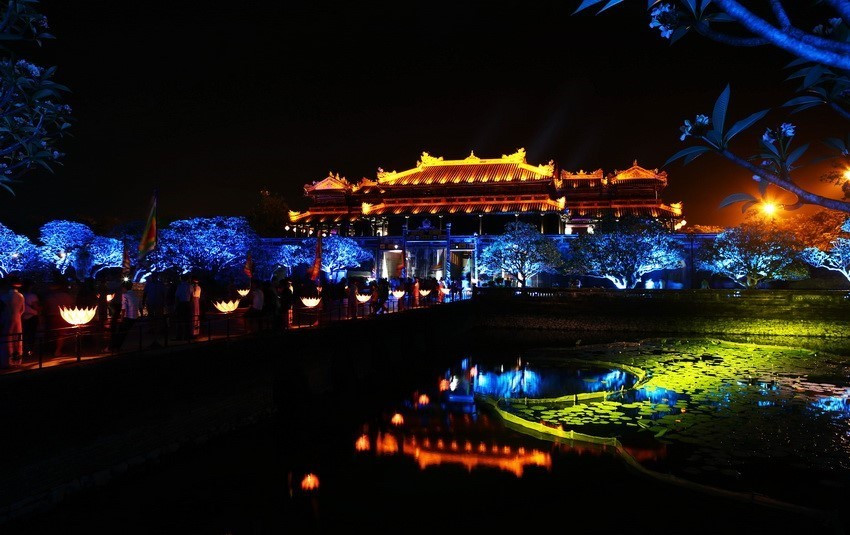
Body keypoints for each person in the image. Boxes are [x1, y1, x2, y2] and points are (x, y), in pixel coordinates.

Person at [42, 279, 74, 357]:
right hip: (63, 317)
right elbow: (72, 306)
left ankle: (51, 350)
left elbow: (45, 307)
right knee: (61, 334)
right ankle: (58, 351)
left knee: (52, 334)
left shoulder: (49, 296)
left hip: (51, 316)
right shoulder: (67, 296)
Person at [0, 276, 25, 367]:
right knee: (17, 339)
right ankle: (17, 361)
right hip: (18, 318)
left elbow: (2, 309)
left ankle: (7, 361)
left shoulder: (4, 296)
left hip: (7, 318)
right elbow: (22, 310)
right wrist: (17, 315)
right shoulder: (21, 296)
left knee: (7, 338)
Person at [111, 281, 140, 352]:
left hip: (128, 317)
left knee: (121, 333)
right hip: (135, 316)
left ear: (124, 288)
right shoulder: (135, 294)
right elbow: (140, 306)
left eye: (122, 288)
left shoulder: (125, 295)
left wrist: (121, 319)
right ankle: (117, 347)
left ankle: (115, 347)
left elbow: (123, 308)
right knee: (124, 332)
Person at [142, 273, 167, 341]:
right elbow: (145, 293)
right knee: (151, 316)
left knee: (159, 316)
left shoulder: (160, 284)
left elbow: (164, 293)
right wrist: (143, 301)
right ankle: (152, 328)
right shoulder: (149, 284)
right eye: (153, 277)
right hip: (151, 302)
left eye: (155, 276)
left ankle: (159, 329)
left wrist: (164, 302)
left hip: (158, 302)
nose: (154, 278)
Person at [20, 279, 40, 359]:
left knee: (23, 334)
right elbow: (36, 307)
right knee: (31, 335)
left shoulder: (21, 295)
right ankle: (30, 351)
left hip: (22, 317)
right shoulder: (32, 296)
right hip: (32, 317)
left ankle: (23, 350)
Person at [173, 275, 192, 340]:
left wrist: (175, 306)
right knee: (187, 320)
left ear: (181, 279)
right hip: (188, 303)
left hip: (181, 304)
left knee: (180, 320)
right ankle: (187, 335)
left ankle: (179, 336)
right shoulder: (190, 286)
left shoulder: (180, 286)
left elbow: (177, 296)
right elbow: (191, 295)